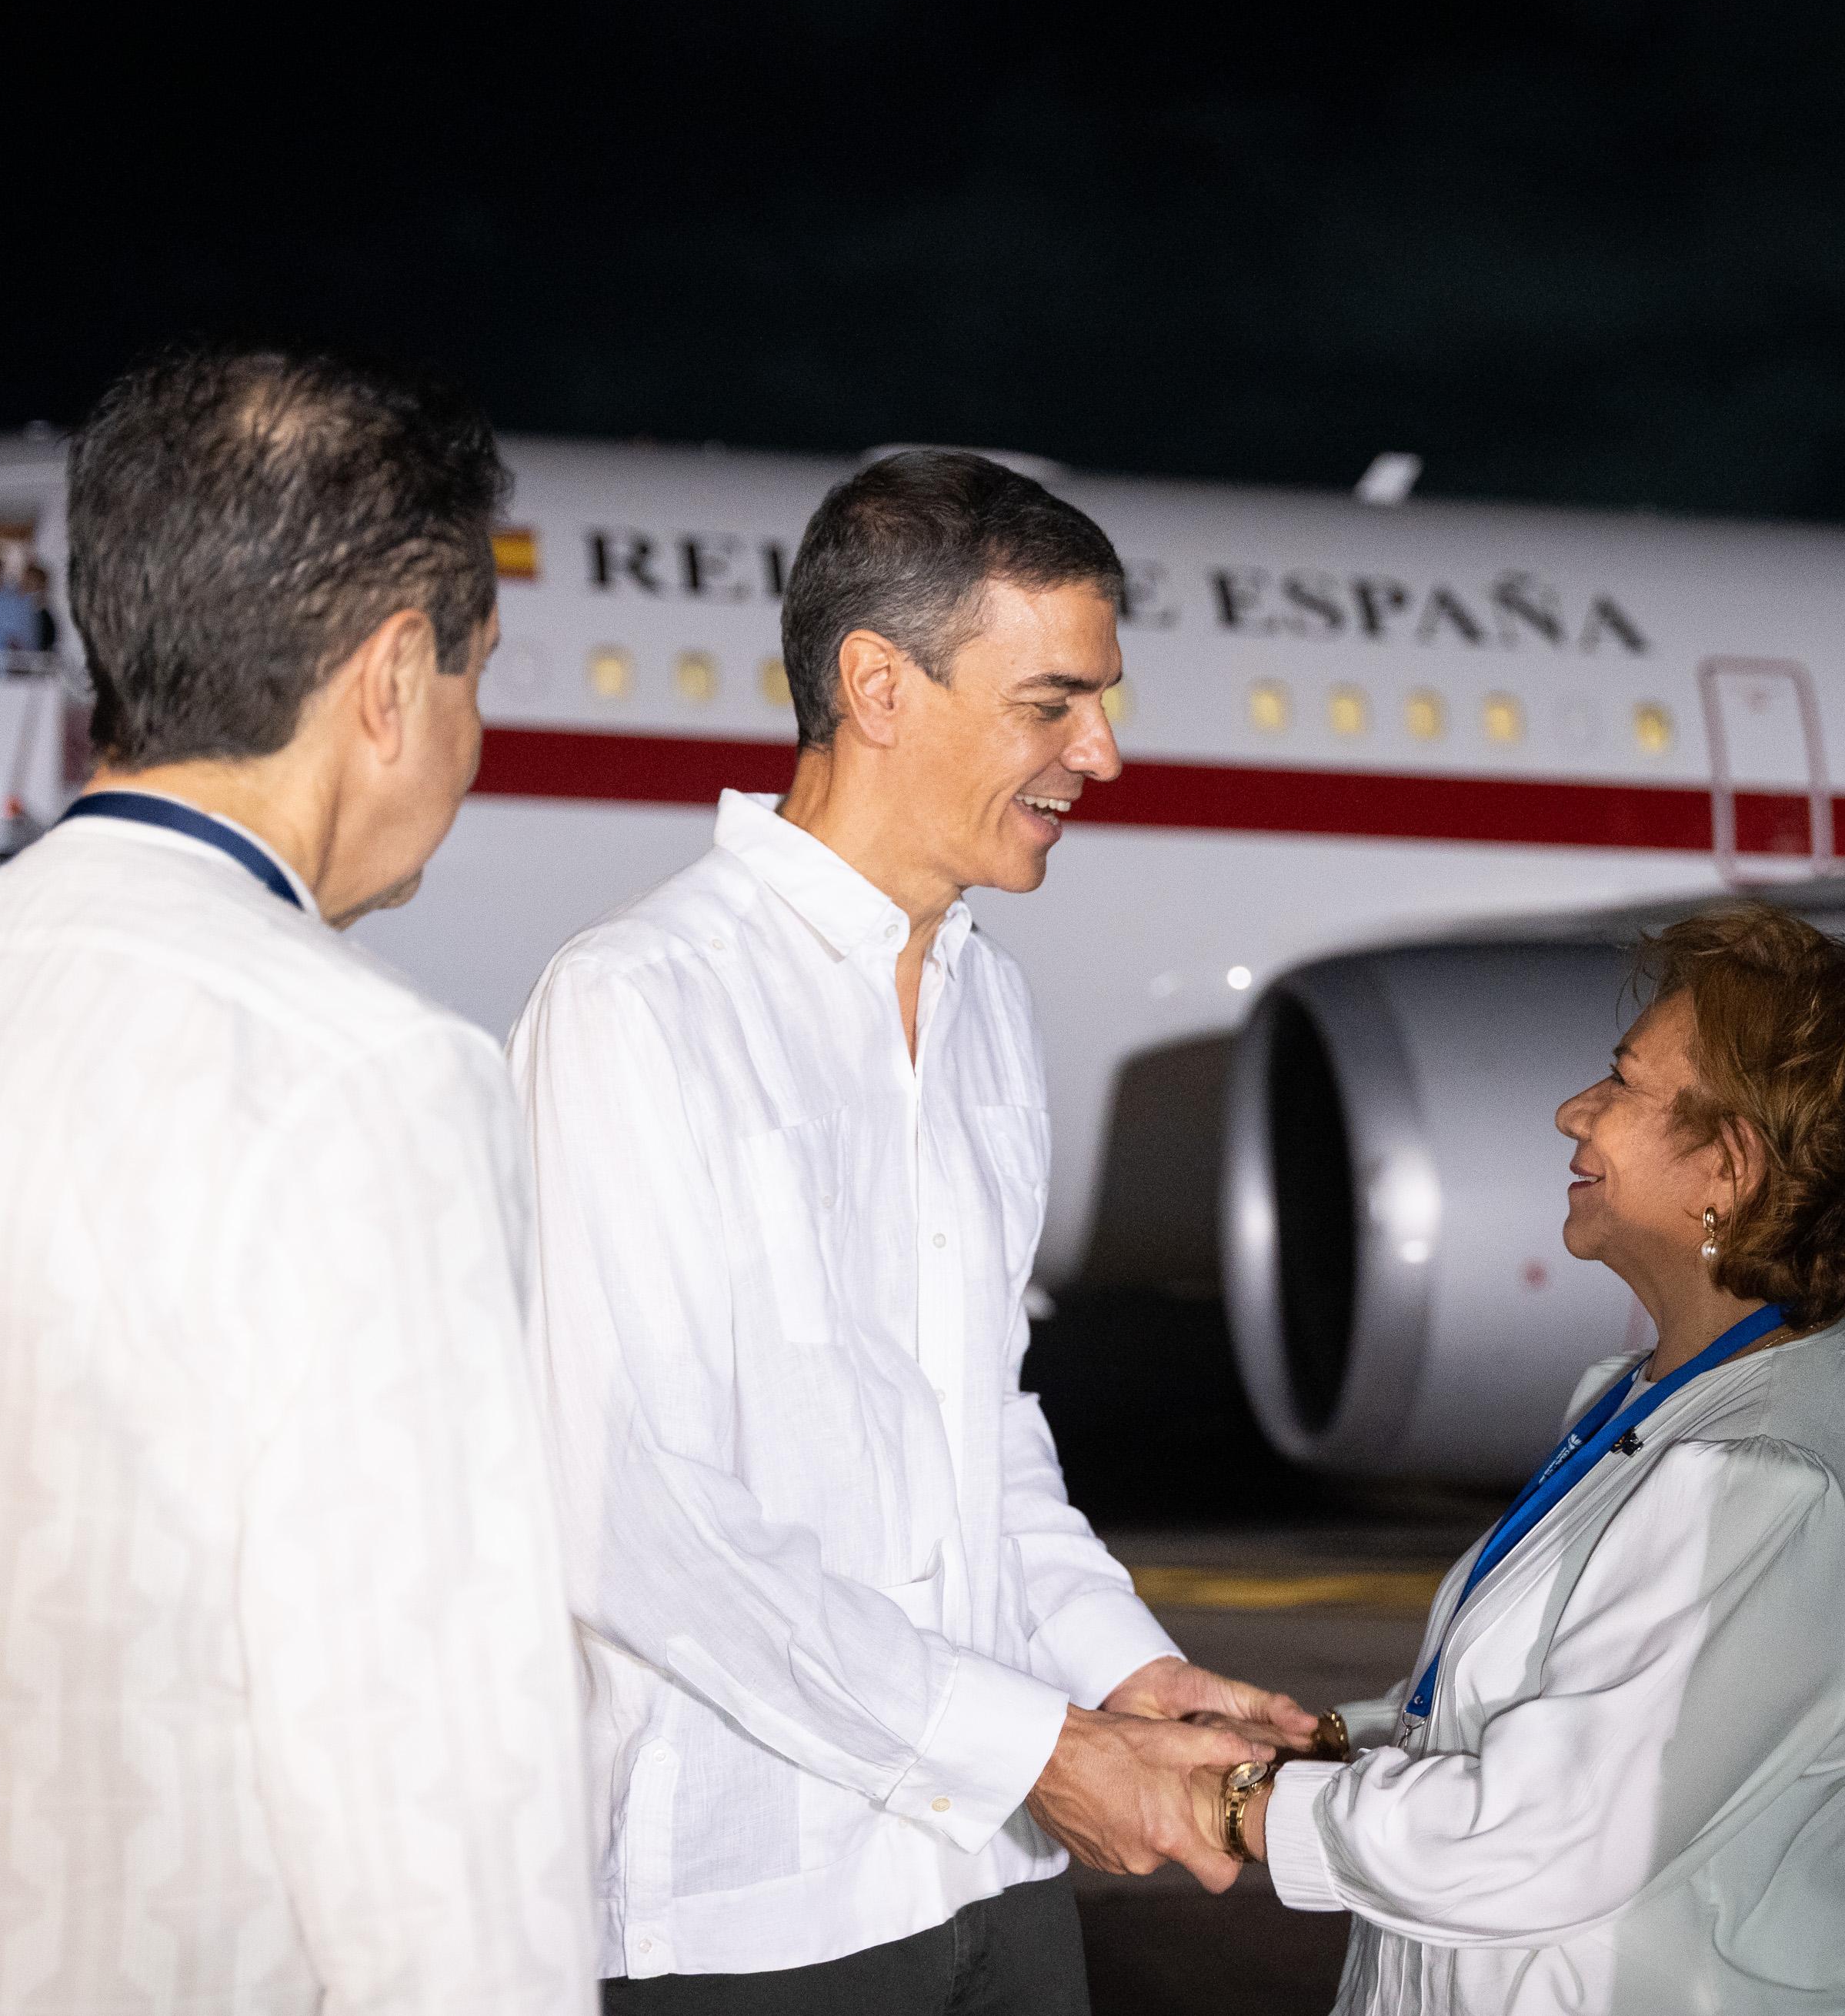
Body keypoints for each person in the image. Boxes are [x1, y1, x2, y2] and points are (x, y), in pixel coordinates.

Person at [0, 346, 597, 2012]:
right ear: (392, 677)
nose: (470, 739)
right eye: (476, 677)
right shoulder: (365, 1079)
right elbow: (442, 1793)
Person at [512, 449, 1320, 2013]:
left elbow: (982, 1430)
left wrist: (1121, 1669)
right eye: (1051, 702)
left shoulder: (985, 1002)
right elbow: (634, 1520)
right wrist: (1042, 1746)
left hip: (995, 1879)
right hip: (758, 1910)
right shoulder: (639, 1006)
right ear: (876, 683)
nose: (1102, 751)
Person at [1209, 902, 1845, 2016]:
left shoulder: (1764, 1478)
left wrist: (1238, 1810)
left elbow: (1544, 1835)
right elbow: (1551, 1713)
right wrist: (1332, 1740)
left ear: (1728, 1164)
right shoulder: (1648, 1402)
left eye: (1621, 1084)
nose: (1575, 1112)